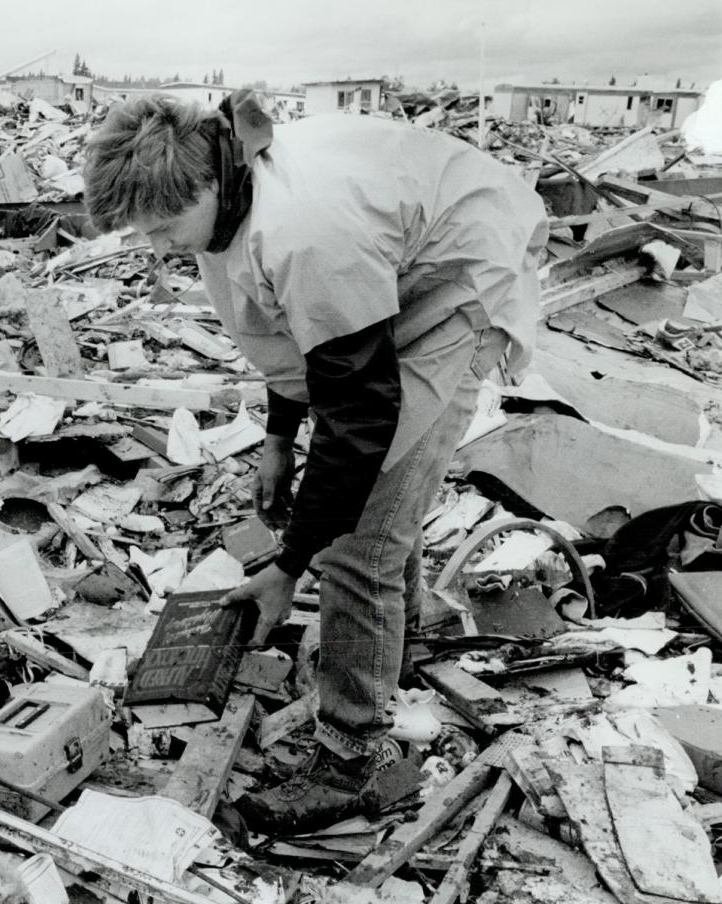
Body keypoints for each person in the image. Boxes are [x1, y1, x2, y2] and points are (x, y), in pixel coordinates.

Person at [83, 93, 546, 834]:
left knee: (360, 537)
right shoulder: (230, 204)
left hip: (459, 286)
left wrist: (293, 559)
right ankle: (408, 633)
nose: (161, 246)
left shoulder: (304, 232)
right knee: (372, 500)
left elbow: (361, 417)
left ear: (208, 185)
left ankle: (350, 757)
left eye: (166, 228)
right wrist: (275, 441)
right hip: (393, 273)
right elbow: (294, 337)